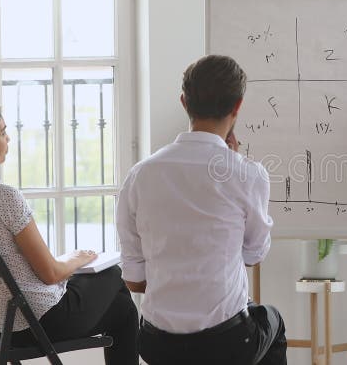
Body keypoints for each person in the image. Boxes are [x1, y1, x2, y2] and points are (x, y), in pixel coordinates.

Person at [116, 54, 287, 365]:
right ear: (237, 107)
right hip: (226, 342)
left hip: (157, 343)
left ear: (184, 102)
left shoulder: (140, 175)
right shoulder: (248, 174)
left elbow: (133, 279)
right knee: (272, 321)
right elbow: (253, 255)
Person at [0, 100, 138, 365]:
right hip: (42, 321)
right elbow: (50, 273)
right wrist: (78, 258)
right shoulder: (3, 196)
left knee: (123, 309)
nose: (9, 138)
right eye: (2, 132)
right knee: (113, 273)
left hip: (1, 329)